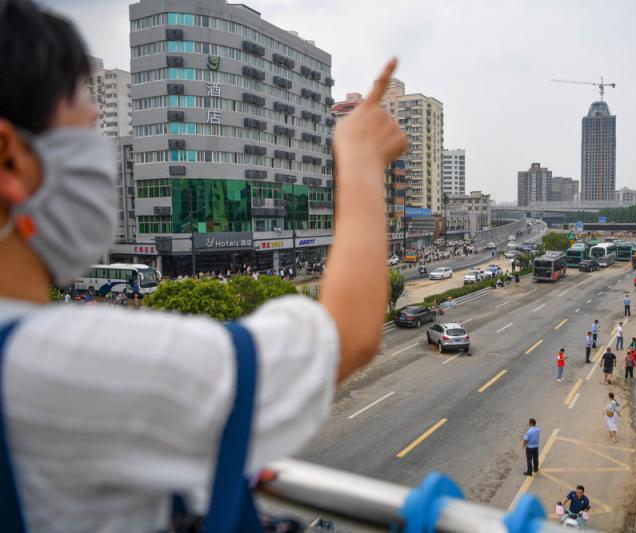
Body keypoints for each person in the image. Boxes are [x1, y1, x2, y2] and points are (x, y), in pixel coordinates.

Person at [0, 3, 407, 529]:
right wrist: (360, 159)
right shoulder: (56, 366)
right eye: (87, 133)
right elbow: (344, 337)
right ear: (10, 158)